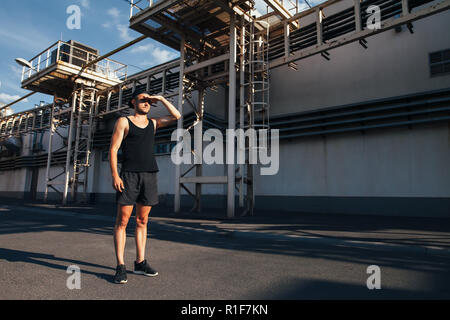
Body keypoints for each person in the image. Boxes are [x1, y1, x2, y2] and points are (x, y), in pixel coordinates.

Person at [109, 90, 181, 284]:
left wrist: (162, 99)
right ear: (134, 102)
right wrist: (115, 174)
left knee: (142, 220)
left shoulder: (153, 123)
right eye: (143, 99)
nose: (147, 102)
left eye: (149, 101)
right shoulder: (124, 121)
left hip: (149, 175)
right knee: (122, 221)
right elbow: (114, 149)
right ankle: (120, 266)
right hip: (129, 176)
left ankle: (140, 263)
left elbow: (177, 116)